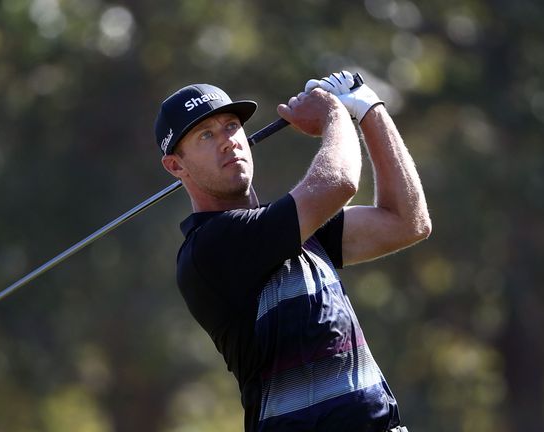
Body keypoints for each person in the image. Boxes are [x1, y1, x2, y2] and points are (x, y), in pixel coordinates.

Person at [154, 71, 431, 432]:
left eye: (231, 126)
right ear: (176, 165)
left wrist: (370, 110)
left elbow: (407, 222)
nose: (228, 142)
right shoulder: (210, 247)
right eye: (206, 135)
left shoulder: (293, 230)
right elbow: (339, 183)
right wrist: (334, 112)